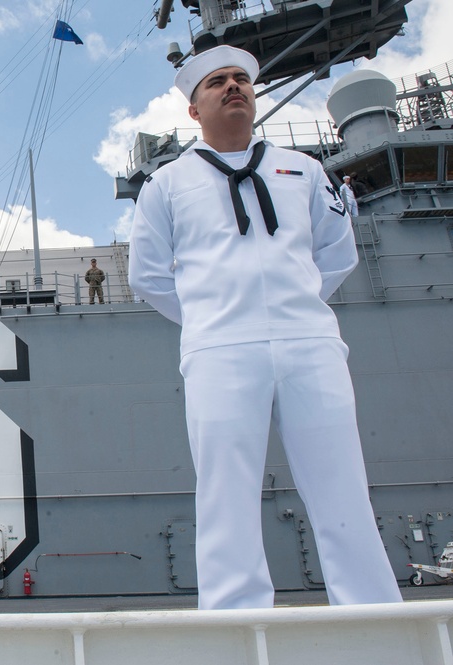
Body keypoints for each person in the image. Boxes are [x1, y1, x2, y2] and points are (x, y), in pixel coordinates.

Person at [128, 45, 401, 611]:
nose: (233, 87)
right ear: (194, 110)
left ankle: (376, 620)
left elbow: (336, 252)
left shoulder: (304, 170)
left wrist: (292, 306)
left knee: (342, 488)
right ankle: (234, 624)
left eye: (240, 80)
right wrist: (216, 319)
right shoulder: (167, 185)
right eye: (218, 83)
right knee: (225, 495)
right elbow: (148, 276)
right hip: (220, 351)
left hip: (311, 346)